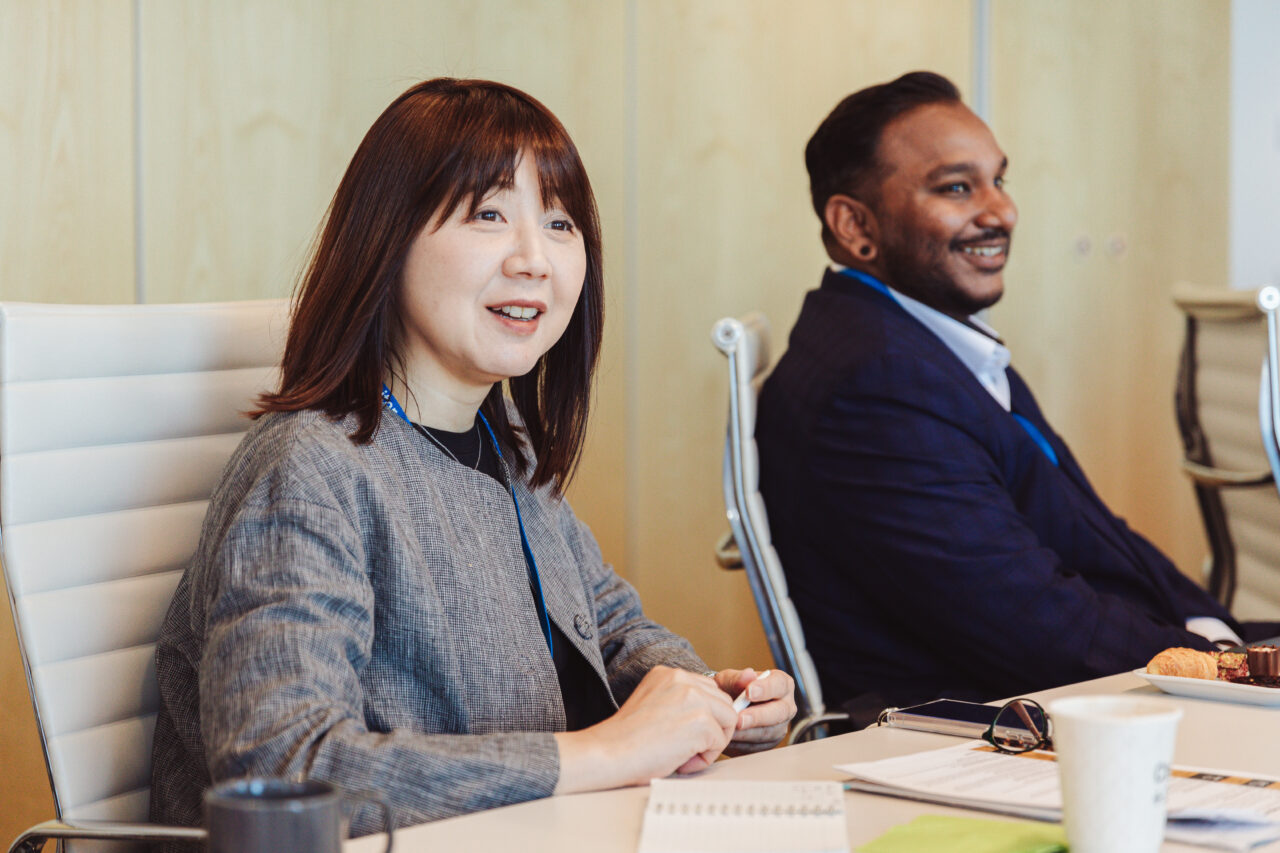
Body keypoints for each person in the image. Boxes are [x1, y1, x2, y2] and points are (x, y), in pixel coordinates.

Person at [150, 78, 795, 835]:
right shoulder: (309, 468)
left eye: (560, 223)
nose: (534, 259)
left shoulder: (505, 443)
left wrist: (709, 696)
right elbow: (286, 767)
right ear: (385, 240)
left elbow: (610, 627)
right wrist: (603, 751)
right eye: (490, 214)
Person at [755, 71, 1275, 726]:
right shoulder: (879, 384)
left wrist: (1232, 641)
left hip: (1089, 688)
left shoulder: (927, 341)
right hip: (997, 732)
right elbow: (1044, 630)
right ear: (856, 224)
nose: (1001, 211)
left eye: (998, 179)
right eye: (956, 187)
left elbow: (1102, 538)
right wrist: (1230, 669)